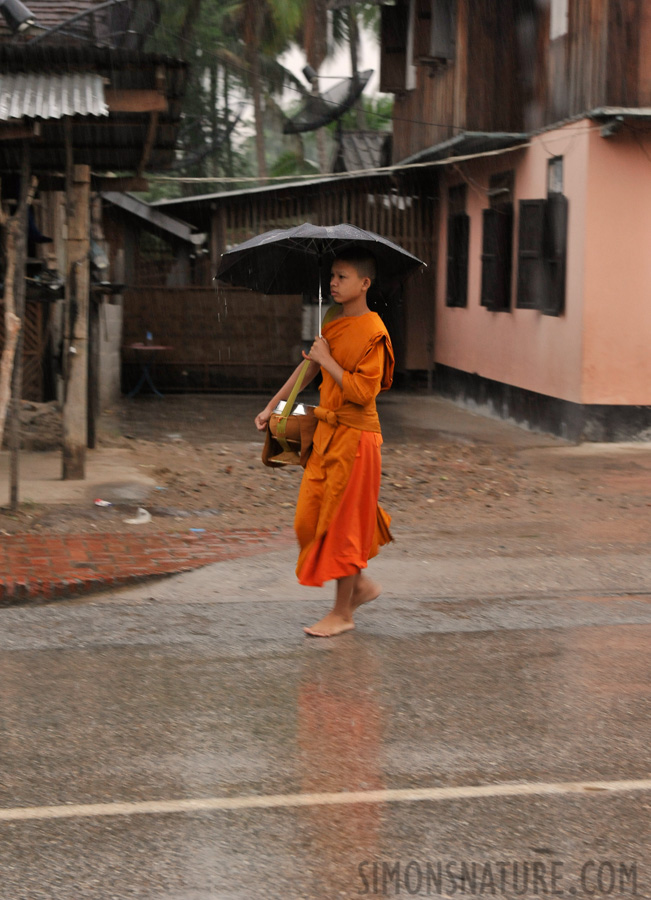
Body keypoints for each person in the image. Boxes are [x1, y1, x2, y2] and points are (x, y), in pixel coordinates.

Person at [255, 248, 394, 637]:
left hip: (358, 438)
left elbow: (363, 393)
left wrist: (328, 359)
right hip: (327, 435)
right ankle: (361, 586)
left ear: (364, 284)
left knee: (342, 525)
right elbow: (309, 367)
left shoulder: (375, 332)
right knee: (309, 520)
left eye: (342, 277)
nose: (333, 283)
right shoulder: (333, 320)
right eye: (332, 276)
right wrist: (272, 407)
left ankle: (342, 612)